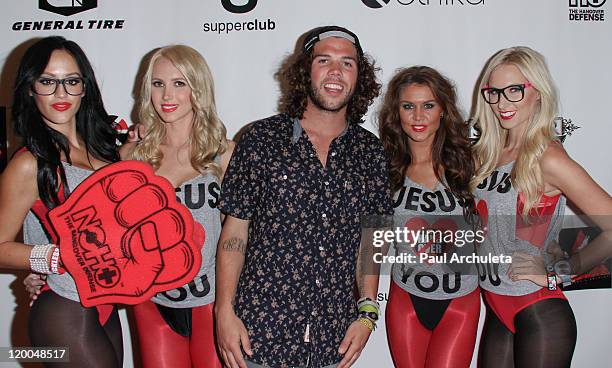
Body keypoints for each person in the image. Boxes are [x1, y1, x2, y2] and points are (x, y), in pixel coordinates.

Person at [214, 26, 393, 368]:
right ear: (304, 71)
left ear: (360, 76)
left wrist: (368, 311)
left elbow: (372, 239)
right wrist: (224, 311)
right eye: (324, 60)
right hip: (257, 338)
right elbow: (234, 233)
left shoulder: (370, 151)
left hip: (333, 342)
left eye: (348, 63)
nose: (336, 72)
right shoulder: (261, 139)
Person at [471, 46, 612, 367]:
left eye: (515, 91)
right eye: (494, 93)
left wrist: (560, 273)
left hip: (539, 312)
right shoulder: (488, 155)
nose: (502, 103)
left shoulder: (549, 157)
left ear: (538, 93)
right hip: (496, 308)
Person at [0, 36, 122, 367]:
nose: (60, 93)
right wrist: (53, 259)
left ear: (85, 87)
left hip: (106, 303)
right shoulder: (29, 163)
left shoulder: (107, 152)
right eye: (47, 81)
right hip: (64, 310)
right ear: (29, 88)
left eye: (71, 81)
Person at [121, 45, 233, 368]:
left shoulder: (224, 154)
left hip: (211, 300)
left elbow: (240, 235)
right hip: (152, 300)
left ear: (198, 88)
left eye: (179, 83)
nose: (166, 95)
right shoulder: (133, 156)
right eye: (158, 84)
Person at [378, 66, 481, 368]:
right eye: (408, 106)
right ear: (396, 114)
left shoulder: (471, 162)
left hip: (460, 300)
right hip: (405, 300)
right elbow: (373, 243)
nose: (418, 116)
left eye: (428, 105)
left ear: (443, 111)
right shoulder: (384, 168)